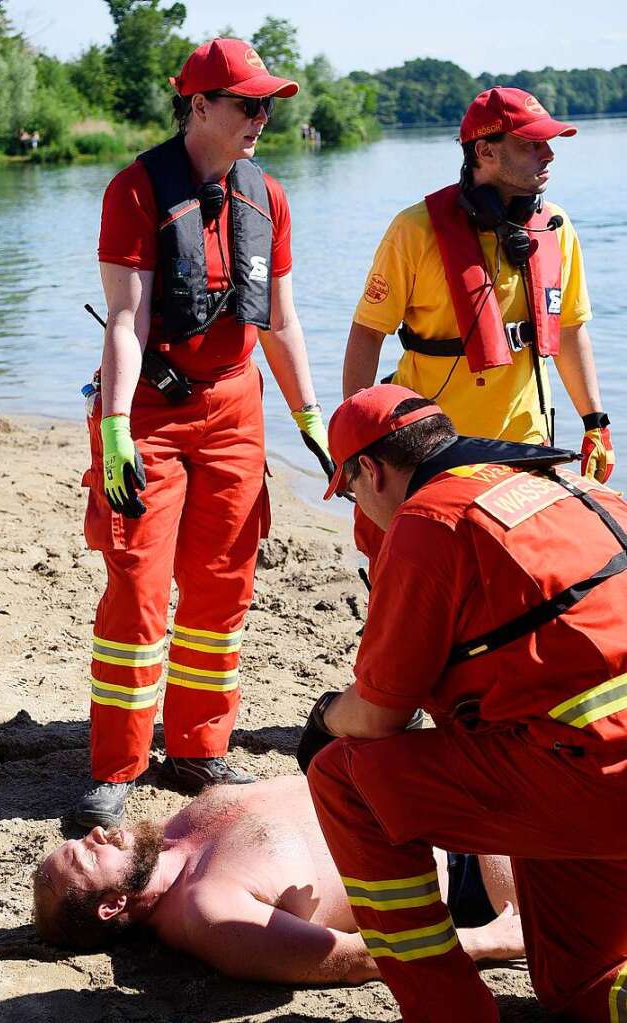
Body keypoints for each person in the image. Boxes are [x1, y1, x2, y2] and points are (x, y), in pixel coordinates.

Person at [299, 383, 627, 1022]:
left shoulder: (430, 520)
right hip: (583, 759)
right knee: (581, 984)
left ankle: (449, 1012)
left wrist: (321, 721)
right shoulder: (573, 485)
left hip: (594, 779)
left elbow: (376, 715)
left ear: (371, 469)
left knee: (345, 778)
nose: (361, 512)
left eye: (353, 493)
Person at [77, 38, 334, 829]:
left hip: (234, 410)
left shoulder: (269, 197)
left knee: (223, 586)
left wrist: (309, 417)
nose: (261, 117)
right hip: (150, 413)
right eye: (246, 104)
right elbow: (125, 319)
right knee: (140, 587)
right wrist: (115, 427)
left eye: (267, 105)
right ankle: (117, 763)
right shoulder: (135, 189)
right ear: (198, 105)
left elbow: (282, 320)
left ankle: (196, 746)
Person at [345, 87, 614, 565]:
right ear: (485, 151)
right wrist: (355, 444)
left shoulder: (555, 227)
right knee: (420, 586)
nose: (548, 153)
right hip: (428, 451)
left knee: (520, 580)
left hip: (526, 444)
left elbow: (569, 330)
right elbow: (368, 333)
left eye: (548, 142)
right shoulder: (415, 230)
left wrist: (595, 421)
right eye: (531, 143)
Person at [34, 776, 523, 983]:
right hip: (471, 870)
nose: (96, 832)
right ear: (111, 905)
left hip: (453, 796)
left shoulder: (168, 835)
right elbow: (350, 959)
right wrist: (491, 940)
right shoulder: (211, 913)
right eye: (86, 855)